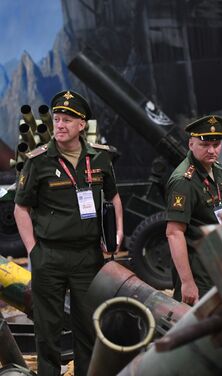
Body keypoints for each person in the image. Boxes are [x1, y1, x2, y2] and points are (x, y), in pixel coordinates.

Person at [13, 90, 123, 376]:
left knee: (87, 327)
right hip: (49, 256)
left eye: (67, 120)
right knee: (47, 329)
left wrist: (117, 234)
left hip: (88, 257)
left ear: (81, 125)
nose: (60, 124)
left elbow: (113, 197)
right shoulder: (38, 161)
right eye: (57, 119)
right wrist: (33, 251)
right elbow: (20, 209)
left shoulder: (100, 159)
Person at [165, 115, 222, 305]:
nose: (212, 150)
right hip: (198, 271)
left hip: (218, 264)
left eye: (216, 144)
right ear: (191, 144)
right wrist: (187, 283)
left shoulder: (215, 168)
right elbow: (174, 233)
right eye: (205, 145)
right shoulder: (183, 181)